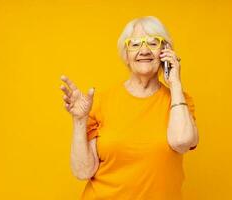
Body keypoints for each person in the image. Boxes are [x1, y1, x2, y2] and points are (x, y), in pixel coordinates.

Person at [60, 16, 199, 200]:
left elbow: (182, 142)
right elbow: (82, 171)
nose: (144, 50)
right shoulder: (101, 102)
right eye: (135, 44)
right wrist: (79, 121)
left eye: (153, 43)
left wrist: (175, 84)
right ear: (125, 54)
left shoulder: (178, 100)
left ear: (165, 51)